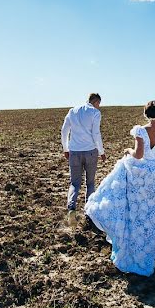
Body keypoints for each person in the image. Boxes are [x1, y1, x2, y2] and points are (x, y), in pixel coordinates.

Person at [85, 101, 155, 276]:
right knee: (152, 219)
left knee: (136, 216)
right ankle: (147, 252)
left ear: (145, 113)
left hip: (141, 179)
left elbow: (138, 155)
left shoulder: (140, 131)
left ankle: (133, 251)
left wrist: (128, 150)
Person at [61, 93, 106, 225]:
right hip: (90, 151)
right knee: (90, 182)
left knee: (74, 183)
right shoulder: (95, 113)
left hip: (74, 151)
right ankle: (88, 212)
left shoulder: (72, 111)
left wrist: (66, 149)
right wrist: (101, 151)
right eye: (99, 104)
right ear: (96, 102)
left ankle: (71, 209)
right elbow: (96, 133)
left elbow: (64, 131)